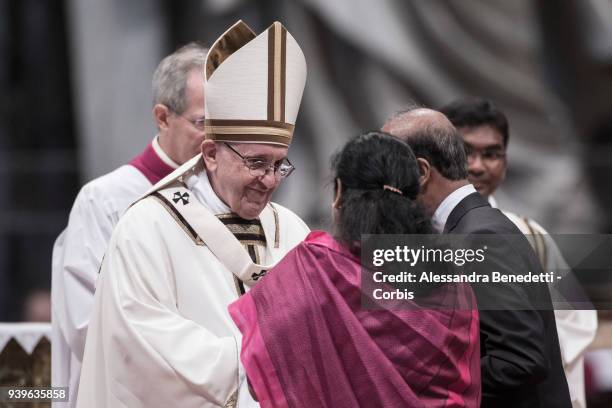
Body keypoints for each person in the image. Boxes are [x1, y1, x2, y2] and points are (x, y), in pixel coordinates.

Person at [76, 20, 308, 408]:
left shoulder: (291, 229)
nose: (269, 181)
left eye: (280, 165)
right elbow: (142, 344)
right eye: (256, 163)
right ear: (212, 154)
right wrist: (262, 359)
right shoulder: (147, 227)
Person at [229, 131, 481, 408]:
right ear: (415, 198)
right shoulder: (452, 283)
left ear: (338, 193)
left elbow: (261, 376)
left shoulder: (316, 269)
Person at [51, 42, 208, 407]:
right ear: (163, 117)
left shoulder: (223, 201)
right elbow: (87, 325)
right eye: (203, 122)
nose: (216, 136)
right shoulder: (105, 201)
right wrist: (192, 353)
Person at [382, 108, 572, 407]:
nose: (386, 186)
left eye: (389, 169)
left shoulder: (482, 238)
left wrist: (428, 376)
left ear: (420, 172)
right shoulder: (466, 229)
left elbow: (521, 360)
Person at [440, 97, 598, 408]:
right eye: (465, 152)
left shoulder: (530, 235)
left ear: (506, 161)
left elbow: (574, 321)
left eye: (491, 154)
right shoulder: (422, 237)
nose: (477, 166)